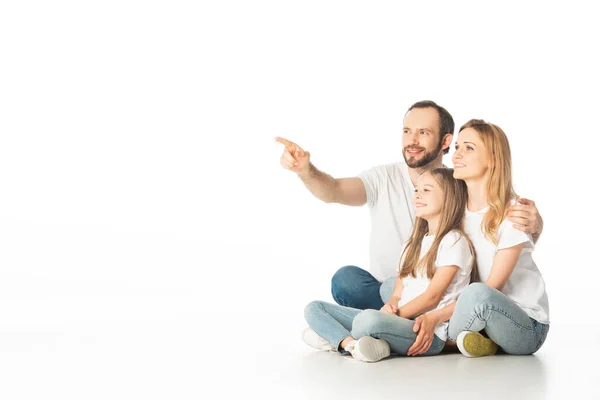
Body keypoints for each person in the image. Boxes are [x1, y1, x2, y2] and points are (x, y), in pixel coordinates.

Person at [276, 101, 544, 310]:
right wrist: (305, 170)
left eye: (423, 132)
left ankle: (387, 324)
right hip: (390, 288)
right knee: (349, 281)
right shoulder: (382, 177)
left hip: (438, 292)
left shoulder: (459, 182)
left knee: (411, 292)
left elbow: (499, 216)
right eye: (407, 131)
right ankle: (391, 320)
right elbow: (332, 191)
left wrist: (536, 224)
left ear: (445, 141)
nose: (412, 140)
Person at [406, 120, 550, 358]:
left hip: (524, 324)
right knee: (398, 285)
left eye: (469, 148)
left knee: (478, 293)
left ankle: (437, 339)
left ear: (492, 159)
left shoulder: (512, 212)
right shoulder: (455, 210)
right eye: (457, 147)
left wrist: (433, 316)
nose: (456, 155)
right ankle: (472, 340)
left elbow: (491, 290)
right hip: (473, 310)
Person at [303, 168, 474, 362]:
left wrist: (391, 317)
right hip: (397, 320)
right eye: (416, 190)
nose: (417, 195)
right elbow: (397, 294)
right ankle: (351, 345)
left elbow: (431, 298)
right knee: (314, 308)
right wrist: (391, 306)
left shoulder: (454, 241)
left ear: (450, 197)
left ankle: (335, 336)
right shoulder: (413, 244)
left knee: (368, 320)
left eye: (426, 190)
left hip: (426, 333)